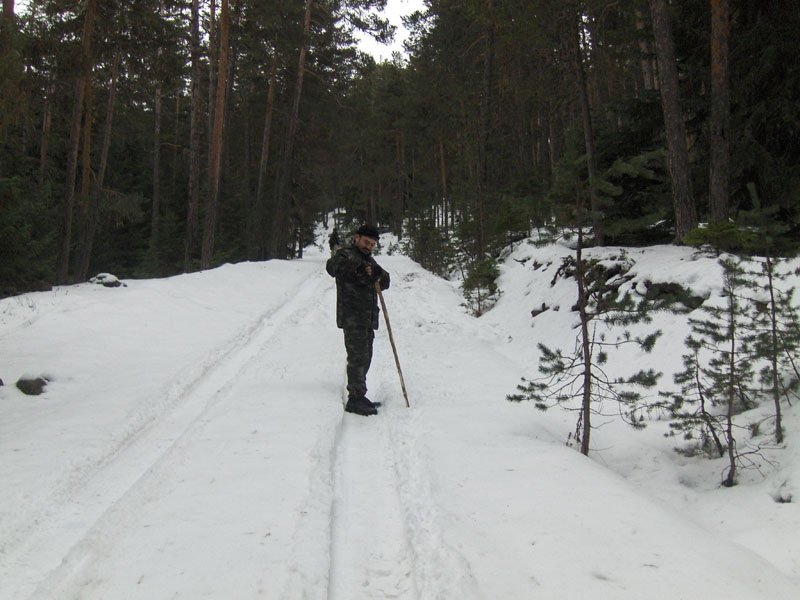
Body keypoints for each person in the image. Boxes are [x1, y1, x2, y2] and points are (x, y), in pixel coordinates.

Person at [326, 224, 390, 416]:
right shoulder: (345, 255)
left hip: (368, 316)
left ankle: (360, 394)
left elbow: (385, 280)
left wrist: (377, 274)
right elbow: (333, 267)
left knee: (366, 356)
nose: (369, 246)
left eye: (372, 244)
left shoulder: (369, 260)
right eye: (366, 242)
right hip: (353, 316)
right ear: (357, 238)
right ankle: (355, 398)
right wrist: (361, 269)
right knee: (357, 357)